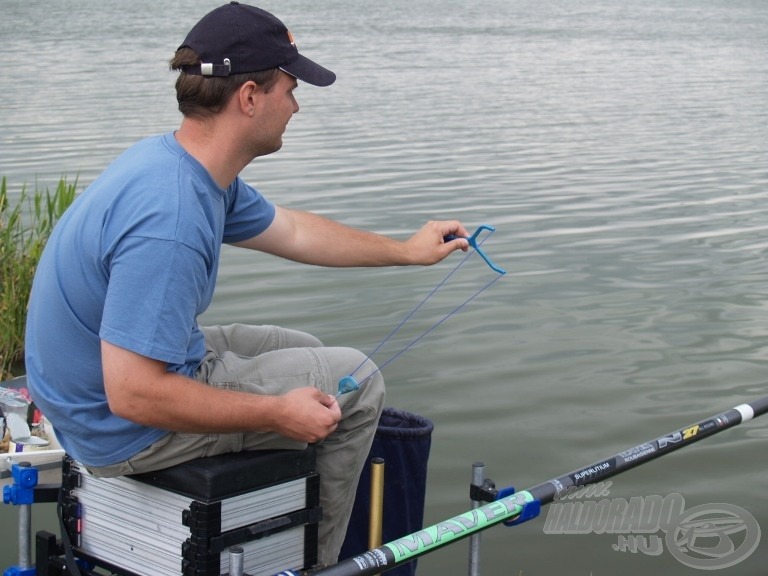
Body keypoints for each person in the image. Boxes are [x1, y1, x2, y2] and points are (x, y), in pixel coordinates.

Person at [24, 2, 469, 566]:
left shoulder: (183, 164)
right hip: (120, 430)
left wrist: (406, 252)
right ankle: (320, 564)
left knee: (315, 358)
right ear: (251, 97)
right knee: (365, 384)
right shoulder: (173, 217)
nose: (297, 105)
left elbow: (296, 232)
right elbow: (134, 393)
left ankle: (279, 516)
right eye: (290, 88)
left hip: (100, 395)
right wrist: (275, 413)